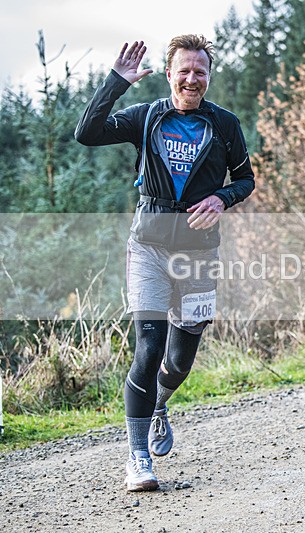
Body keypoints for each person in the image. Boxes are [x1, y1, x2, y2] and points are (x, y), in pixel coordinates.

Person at [75, 36, 255, 491]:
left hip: (199, 255)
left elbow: (246, 180)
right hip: (149, 249)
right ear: (170, 73)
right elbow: (87, 132)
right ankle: (138, 458)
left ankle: (159, 403)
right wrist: (116, 83)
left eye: (200, 72)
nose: (192, 79)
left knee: (178, 361)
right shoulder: (147, 116)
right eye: (184, 71)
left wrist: (222, 197)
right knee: (149, 346)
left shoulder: (224, 124)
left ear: (208, 77)